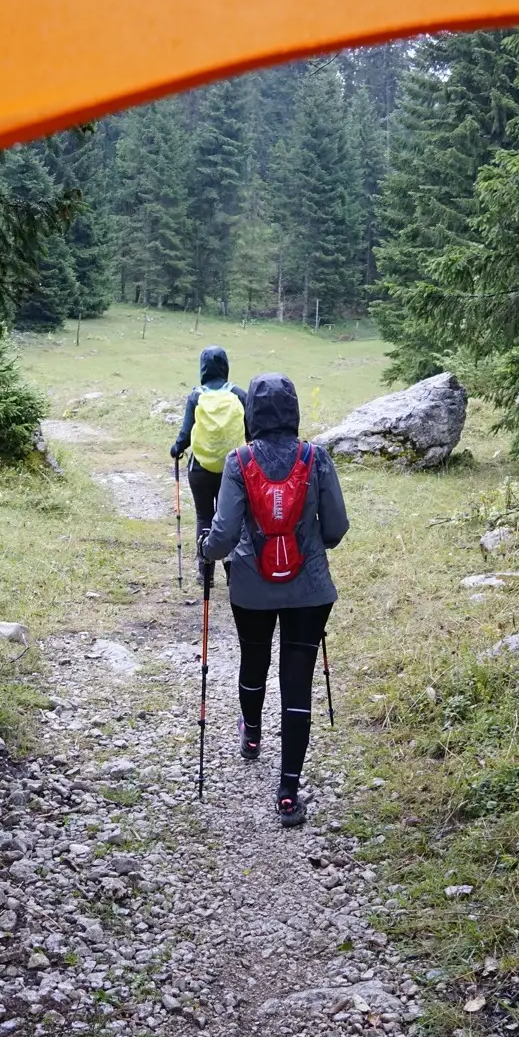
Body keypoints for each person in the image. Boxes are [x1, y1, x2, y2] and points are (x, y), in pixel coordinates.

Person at [200, 372, 347, 826]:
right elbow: (336, 529)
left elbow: (223, 536)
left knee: (255, 657)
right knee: (296, 683)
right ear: (295, 410)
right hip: (310, 589)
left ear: (253, 415)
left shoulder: (238, 461)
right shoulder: (315, 457)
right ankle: (287, 790)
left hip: (251, 586)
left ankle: (251, 737)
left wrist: (205, 549)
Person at [169, 345, 249, 575]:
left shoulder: (196, 395)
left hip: (200, 468)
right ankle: (233, 565)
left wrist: (176, 448)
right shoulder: (239, 394)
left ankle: (206, 570)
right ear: (225, 366)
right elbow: (251, 432)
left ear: (203, 367)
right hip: (233, 469)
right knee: (233, 518)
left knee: (204, 516)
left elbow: (185, 434)